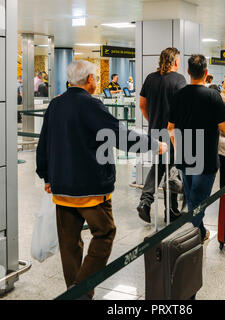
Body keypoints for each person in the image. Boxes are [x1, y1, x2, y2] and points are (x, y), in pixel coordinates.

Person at [36, 60, 167, 300]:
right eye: (95, 77)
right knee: (105, 233)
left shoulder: (55, 105)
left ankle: (73, 292)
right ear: (89, 81)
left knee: (70, 244)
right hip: (91, 188)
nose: (96, 81)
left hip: (62, 187)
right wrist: (153, 145)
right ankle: (81, 293)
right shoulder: (91, 105)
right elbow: (120, 136)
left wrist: (46, 175)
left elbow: (44, 143)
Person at [168, 55, 225, 243]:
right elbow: (224, 127)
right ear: (206, 72)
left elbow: (171, 127)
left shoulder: (179, 95)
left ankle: (198, 233)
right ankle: (189, 239)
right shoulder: (212, 95)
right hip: (206, 156)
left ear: (188, 72)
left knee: (193, 197)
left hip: (185, 153)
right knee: (198, 200)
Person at [137, 47, 187, 224]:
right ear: (175, 61)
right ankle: (171, 210)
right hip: (173, 132)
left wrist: (152, 120)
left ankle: (146, 200)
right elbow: (183, 108)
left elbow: (142, 104)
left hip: (154, 132)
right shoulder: (179, 80)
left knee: (160, 166)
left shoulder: (150, 78)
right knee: (172, 170)